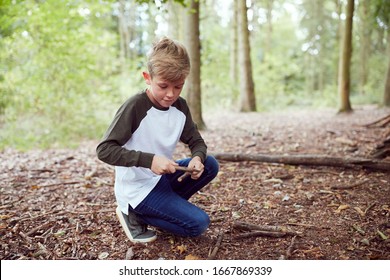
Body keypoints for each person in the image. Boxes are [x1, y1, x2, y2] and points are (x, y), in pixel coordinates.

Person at [96, 37, 219, 243]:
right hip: (138, 188)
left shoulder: (180, 107)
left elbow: (196, 141)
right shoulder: (135, 107)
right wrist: (149, 160)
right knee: (198, 224)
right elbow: (105, 150)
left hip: (160, 179)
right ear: (147, 77)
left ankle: (166, 207)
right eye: (163, 86)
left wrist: (197, 158)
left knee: (209, 164)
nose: (170, 94)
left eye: (178, 87)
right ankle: (135, 214)